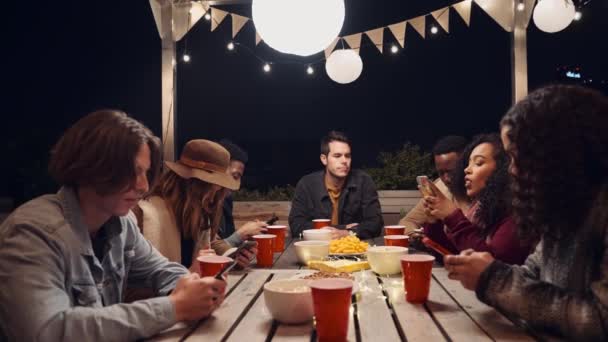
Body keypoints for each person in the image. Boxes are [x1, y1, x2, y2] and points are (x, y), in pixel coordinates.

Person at [0, 110, 226, 341]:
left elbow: (161, 269)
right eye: (133, 171)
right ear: (91, 165)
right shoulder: (32, 232)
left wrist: (194, 288)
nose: (144, 186)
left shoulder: (120, 223)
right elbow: (47, 331)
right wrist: (174, 307)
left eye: (146, 173)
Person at [445, 85, 608, 340]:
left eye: (517, 157)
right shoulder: (565, 208)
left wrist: (492, 280)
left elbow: (599, 322)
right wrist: (484, 271)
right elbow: (532, 274)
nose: (512, 171)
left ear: (558, 151)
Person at [134, 139, 264, 274]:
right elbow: (131, 286)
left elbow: (212, 242)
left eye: (219, 190)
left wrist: (233, 257)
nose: (214, 197)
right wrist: (186, 277)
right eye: (212, 189)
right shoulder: (143, 214)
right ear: (192, 184)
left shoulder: (198, 212)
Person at [423, 133, 533, 265]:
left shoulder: (517, 214)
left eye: (478, 163)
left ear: (503, 168)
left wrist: (453, 217)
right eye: (468, 164)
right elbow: (456, 258)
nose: (466, 170)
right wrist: (434, 224)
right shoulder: (481, 209)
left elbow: (494, 266)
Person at [289, 131, 383, 239]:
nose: (344, 161)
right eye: (337, 156)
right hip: (317, 248)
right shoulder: (306, 184)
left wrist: (347, 233)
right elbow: (296, 226)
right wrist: (343, 228)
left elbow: (375, 224)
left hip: (352, 249)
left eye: (347, 156)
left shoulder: (363, 181)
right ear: (324, 159)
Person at [399, 135, 470, 233]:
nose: (446, 179)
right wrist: (414, 235)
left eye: (452, 172)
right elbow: (407, 222)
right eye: (441, 173)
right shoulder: (439, 187)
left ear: (468, 166)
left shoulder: (485, 195)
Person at [218, 139, 264, 246]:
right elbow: (207, 253)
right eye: (235, 176)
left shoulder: (225, 201)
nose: (237, 187)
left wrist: (244, 240)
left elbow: (223, 244)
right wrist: (241, 234)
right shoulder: (196, 206)